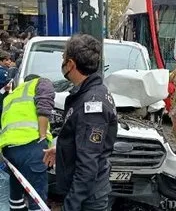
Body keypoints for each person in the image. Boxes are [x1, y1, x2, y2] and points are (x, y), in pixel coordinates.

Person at [43, 34, 118, 211]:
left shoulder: (92, 105)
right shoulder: (92, 91)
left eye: (63, 58)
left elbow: (88, 164)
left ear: (70, 64)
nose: (62, 63)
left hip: (87, 198)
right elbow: (85, 143)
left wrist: (70, 206)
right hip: (88, 192)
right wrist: (63, 149)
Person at [0, 74, 55, 211]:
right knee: (37, 196)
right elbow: (44, 107)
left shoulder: (10, 96)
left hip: (9, 151)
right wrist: (43, 137)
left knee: (16, 195)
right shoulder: (41, 82)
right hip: (31, 145)